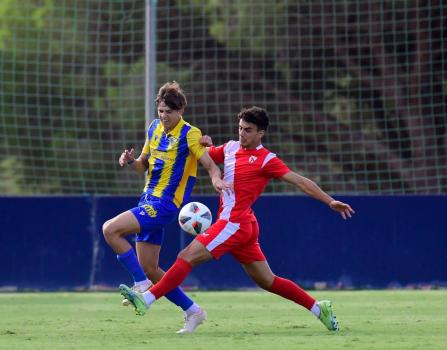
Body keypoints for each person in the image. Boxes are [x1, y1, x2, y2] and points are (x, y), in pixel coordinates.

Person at [120, 106, 355, 331]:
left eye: (248, 129)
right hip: (244, 225)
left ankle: (147, 299)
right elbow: (201, 156)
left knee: (186, 256)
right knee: (267, 281)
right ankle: (318, 308)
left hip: (234, 222)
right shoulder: (231, 148)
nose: (242, 133)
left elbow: (300, 181)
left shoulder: (266, 159)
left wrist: (329, 200)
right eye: (240, 128)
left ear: (261, 132)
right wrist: (202, 143)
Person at [102, 81, 230, 334]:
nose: (163, 116)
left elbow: (207, 161)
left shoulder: (190, 133)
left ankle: (140, 284)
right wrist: (130, 161)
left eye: (168, 112)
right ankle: (193, 311)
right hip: (146, 201)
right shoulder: (153, 129)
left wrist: (216, 177)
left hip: (164, 205)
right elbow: (143, 165)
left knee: (110, 230)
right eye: (160, 111)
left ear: (180, 110)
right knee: (151, 267)